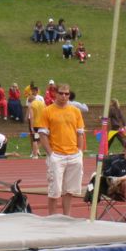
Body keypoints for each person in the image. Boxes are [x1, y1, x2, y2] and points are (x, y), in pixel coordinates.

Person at [37, 83, 85, 215]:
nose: (64, 96)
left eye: (67, 94)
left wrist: (80, 151)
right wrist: (50, 154)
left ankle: (66, 217)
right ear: (55, 94)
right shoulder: (48, 111)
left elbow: (80, 132)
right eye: (61, 93)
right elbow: (42, 134)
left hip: (74, 155)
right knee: (54, 190)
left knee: (69, 190)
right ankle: (52, 218)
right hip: (56, 155)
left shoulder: (75, 111)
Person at [27, 89, 46, 159]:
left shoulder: (32, 105)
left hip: (35, 124)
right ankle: (36, 150)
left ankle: (35, 154)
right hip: (42, 124)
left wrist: (31, 126)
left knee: (35, 139)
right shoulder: (42, 103)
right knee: (41, 139)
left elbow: (31, 116)